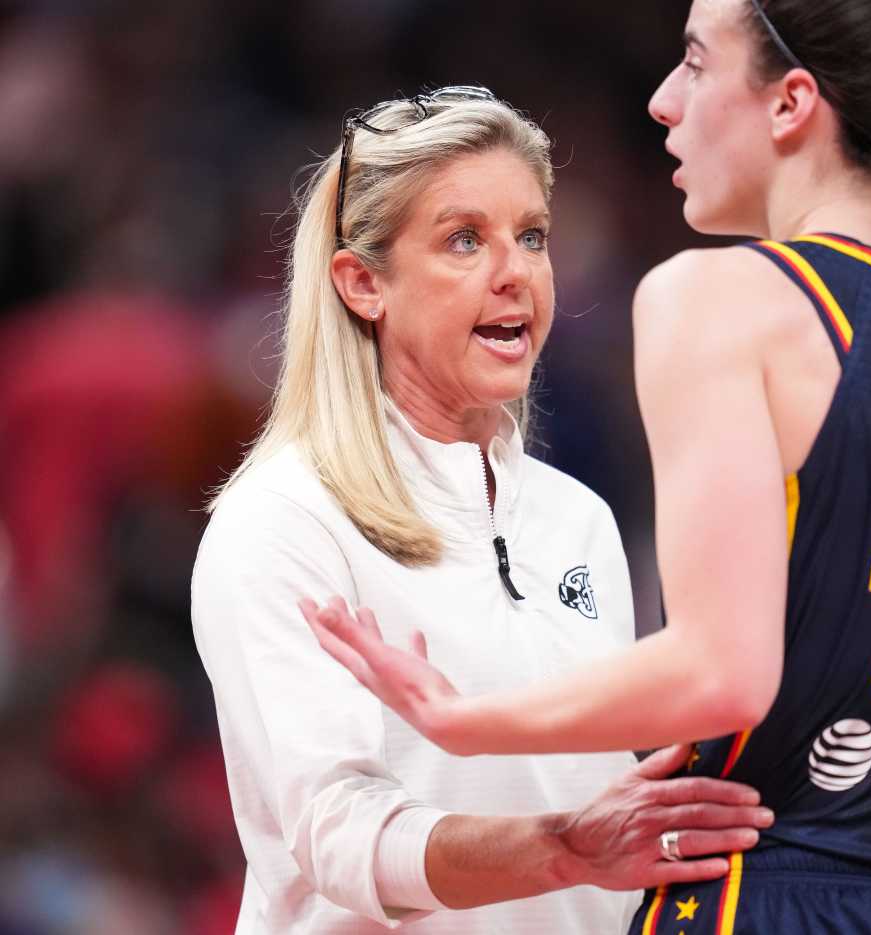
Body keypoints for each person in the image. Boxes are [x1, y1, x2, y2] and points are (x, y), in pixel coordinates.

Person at [308, 1, 871, 932]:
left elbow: (723, 672)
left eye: (694, 62)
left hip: (768, 895)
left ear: (791, 103)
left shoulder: (723, 297)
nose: (662, 101)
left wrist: (464, 719)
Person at [191, 87, 774, 935]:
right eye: (465, 240)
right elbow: (336, 832)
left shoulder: (581, 519)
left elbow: (605, 816)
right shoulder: (283, 519)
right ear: (362, 284)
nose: (516, 272)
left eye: (531, 236)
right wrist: (561, 846)